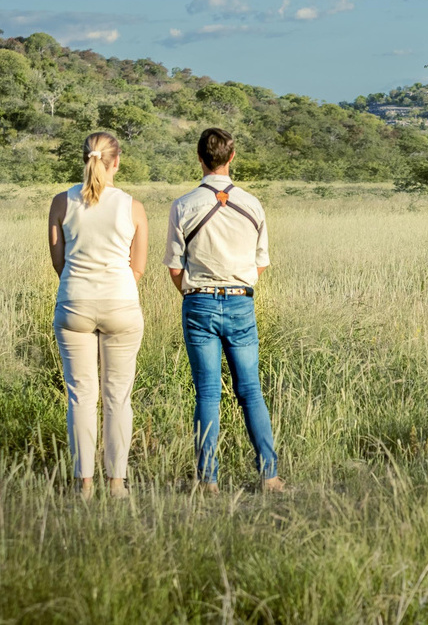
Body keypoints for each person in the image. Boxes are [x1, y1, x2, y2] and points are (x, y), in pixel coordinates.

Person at [163, 127, 283, 494]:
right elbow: (260, 262)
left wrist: (192, 293)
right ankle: (270, 476)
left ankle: (208, 481)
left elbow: (174, 266)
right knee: (250, 391)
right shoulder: (253, 204)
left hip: (199, 301)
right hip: (240, 300)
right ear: (232, 158)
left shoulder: (183, 205)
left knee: (207, 393)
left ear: (200, 158)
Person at [47, 132, 148, 499]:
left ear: (84, 159)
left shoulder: (61, 202)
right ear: (116, 161)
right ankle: (117, 483)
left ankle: (84, 484)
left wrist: (81, 287)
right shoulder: (132, 206)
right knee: (118, 396)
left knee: (81, 395)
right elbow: (138, 267)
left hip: (74, 302)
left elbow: (59, 262)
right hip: (121, 303)